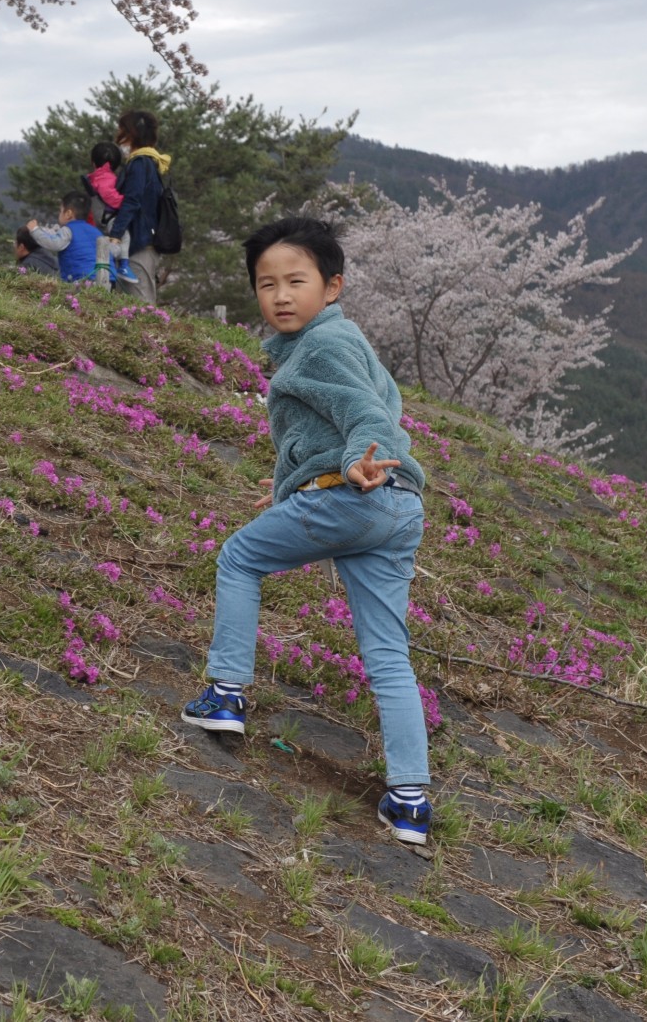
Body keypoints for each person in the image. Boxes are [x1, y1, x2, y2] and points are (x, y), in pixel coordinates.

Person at [179, 217, 434, 844]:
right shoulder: (338, 341)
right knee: (387, 655)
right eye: (267, 284)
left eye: (297, 281)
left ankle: (227, 693)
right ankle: (409, 800)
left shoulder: (325, 346)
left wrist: (354, 463)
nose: (281, 296)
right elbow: (316, 432)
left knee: (239, 559)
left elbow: (362, 414)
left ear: (333, 285)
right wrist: (293, 483)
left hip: (358, 493)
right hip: (397, 507)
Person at [103, 107, 170, 303]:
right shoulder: (150, 162)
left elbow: (132, 201)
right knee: (133, 303)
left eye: (121, 130)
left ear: (131, 134)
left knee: (141, 304)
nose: (118, 136)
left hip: (139, 243)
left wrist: (116, 234)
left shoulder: (140, 163)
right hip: (143, 241)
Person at [84, 141, 136, 286]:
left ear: (93, 162)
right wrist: (126, 201)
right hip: (109, 220)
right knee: (124, 236)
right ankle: (124, 265)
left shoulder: (96, 177)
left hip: (97, 223)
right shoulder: (107, 179)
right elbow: (111, 197)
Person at [26, 192, 105, 284]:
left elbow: (54, 243)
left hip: (83, 280)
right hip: (106, 278)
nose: (59, 214)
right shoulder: (96, 231)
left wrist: (35, 230)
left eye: (60, 211)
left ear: (68, 214)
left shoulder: (69, 230)